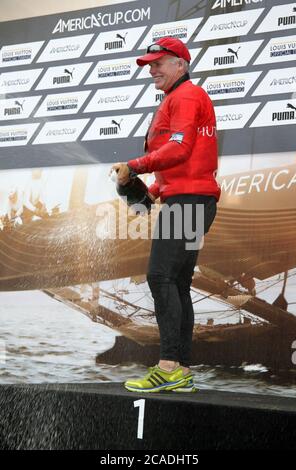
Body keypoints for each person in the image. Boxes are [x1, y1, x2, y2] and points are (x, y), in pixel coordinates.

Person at [110, 37, 220, 393]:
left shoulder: (186, 96)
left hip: (189, 202)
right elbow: (185, 165)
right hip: (190, 199)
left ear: (181, 65)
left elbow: (179, 148)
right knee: (178, 283)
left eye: (159, 63)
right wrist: (148, 190)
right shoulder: (177, 99)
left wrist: (134, 166)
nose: (152, 69)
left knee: (160, 277)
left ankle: (168, 366)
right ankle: (182, 371)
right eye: (149, 64)